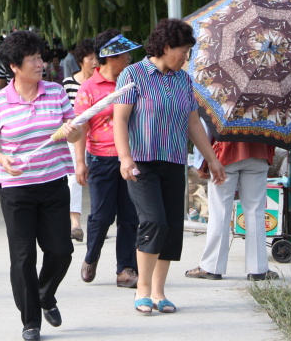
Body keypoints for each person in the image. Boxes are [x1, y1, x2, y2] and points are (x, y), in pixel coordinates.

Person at [112, 18, 226, 316]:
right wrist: (125, 157)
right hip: (141, 162)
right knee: (154, 221)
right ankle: (142, 290)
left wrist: (212, 159)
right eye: (184, 51)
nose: (186, 57)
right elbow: (120, 119)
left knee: (172, 229)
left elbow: (192, 124)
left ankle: (160, 292)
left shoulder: (183, 80)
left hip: (174, 161)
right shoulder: (133, 75)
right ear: (165, 47)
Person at [0, 30, 83, 341]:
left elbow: (74, 134)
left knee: (61, 251)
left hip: (52, 184)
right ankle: (30, 321)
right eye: (33, 59)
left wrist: (73, 132)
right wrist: (1, 158)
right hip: (15, 190)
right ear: (15, 67)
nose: (41, 64)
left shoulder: (56, 93)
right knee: (23, 257)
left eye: (41, 57)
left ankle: (45, 294)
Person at [74, 30, 141, 289]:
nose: (130, 57)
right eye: (125, 53)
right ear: (112, 57)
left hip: (130, 159)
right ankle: (91, 256)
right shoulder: (89, 87)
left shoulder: (133, 82)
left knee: (129, 216)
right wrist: (81, 162)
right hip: (101, 159)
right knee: (101, 216)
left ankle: (126, 269)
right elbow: (81, 126)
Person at [185, 140, 279, 281]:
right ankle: (259, 269)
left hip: (224, 153)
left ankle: (211, 267)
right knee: (255, 212)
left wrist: (202, 161)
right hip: (259, 152)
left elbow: (205, 126)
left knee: (219, 212)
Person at [60, 39, 98, 243]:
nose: (94, 62)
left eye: (96, 58)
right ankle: (75, 223)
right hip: (75, 138)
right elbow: (64, 115)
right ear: (80, 61)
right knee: (74, 179)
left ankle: (99, 221)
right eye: (89, 58)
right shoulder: (68, 84)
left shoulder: (103, 84)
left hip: (100, 138)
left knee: (98, 180)